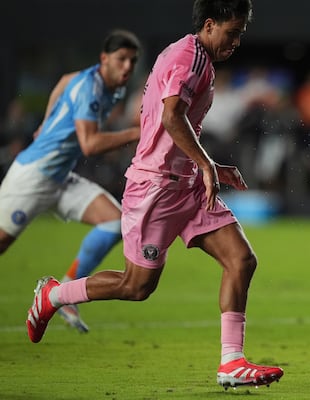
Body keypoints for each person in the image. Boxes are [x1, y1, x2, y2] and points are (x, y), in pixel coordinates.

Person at [25, 0, 284, 390]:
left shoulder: (201, 59)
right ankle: (54, 295)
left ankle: (231, 362)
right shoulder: (188, 57)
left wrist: (208, 166)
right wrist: (208, 165)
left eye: (241, 33)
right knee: (137, 286)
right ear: (210, 25)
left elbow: (177, 125)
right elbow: (171, 117)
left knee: (241, 259)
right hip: (156, 188)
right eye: (233, 32)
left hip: (188, 184)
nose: (237, 42)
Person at [0, 29, 141, 332]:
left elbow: (64, 79)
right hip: (33, 176)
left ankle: (65, 292)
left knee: (115, 222)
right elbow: (89, 145)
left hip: (61, 178)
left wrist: (45, 120)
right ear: (104, 59)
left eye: (132, 60)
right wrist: (137, 132)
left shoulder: (107, 84)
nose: (127, 66)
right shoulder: (90, 87)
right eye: (121, 59)